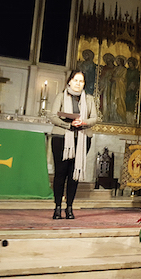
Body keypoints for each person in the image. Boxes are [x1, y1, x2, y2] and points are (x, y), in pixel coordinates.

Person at [49, 71, 98, 219]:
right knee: (60, 173)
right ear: (69, 81)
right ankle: (57, 207)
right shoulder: (61, 96)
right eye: (75, 80)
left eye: (81, 81)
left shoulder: (89, 99)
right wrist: (69, 125)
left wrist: (83, 122)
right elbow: (52, 116)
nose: (78, 83)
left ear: (84, 84)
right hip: (62, 138)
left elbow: (94, 118)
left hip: (82, 138)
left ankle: (69, 207)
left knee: (74, 175)